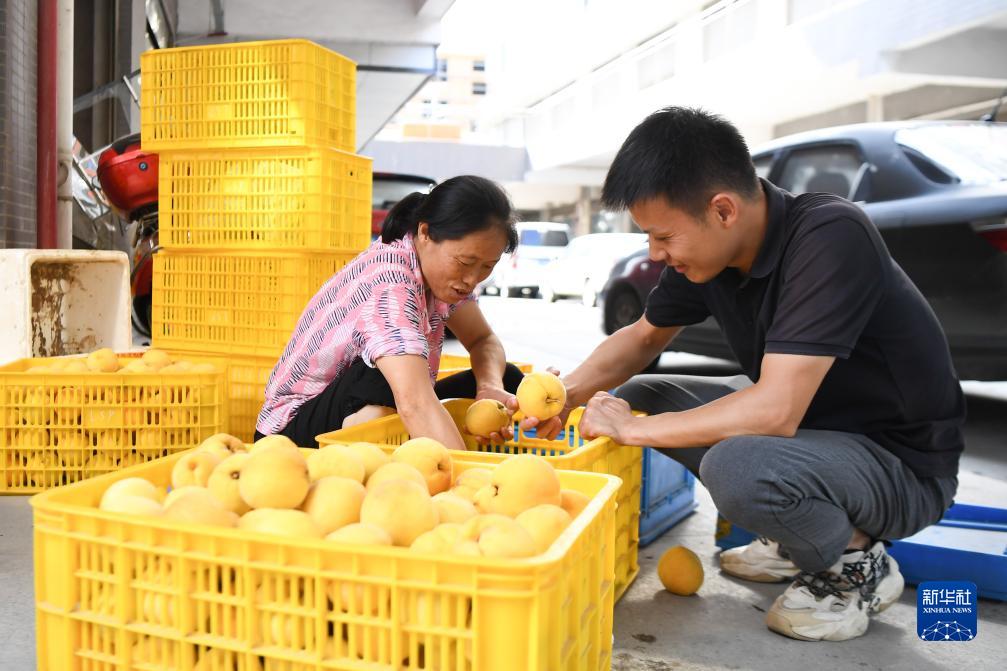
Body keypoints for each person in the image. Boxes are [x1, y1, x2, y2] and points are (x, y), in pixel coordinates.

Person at [534, 107, 964, 642]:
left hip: (902, 467)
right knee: (642, 392)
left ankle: (856, 562)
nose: (655, 253)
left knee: (737, 467)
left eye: (663, 236)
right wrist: (562, 397)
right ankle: (797, 537)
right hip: (818, 439)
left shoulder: (830, 235)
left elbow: (776, 410)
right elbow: (644, 337)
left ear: (723, 210)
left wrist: (630, 430)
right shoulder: (709, 252)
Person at [255, 175, 526, 451]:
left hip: (389, 402)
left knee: (509, 379)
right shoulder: (390, 283)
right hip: (289, 436)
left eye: (486, 267)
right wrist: (468, 480)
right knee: (387, 374)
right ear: (425, 232)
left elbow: (482, 340)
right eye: (465, 262)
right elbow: (415, 403)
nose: (471, 279)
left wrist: (489, 387)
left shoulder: (442, 276)